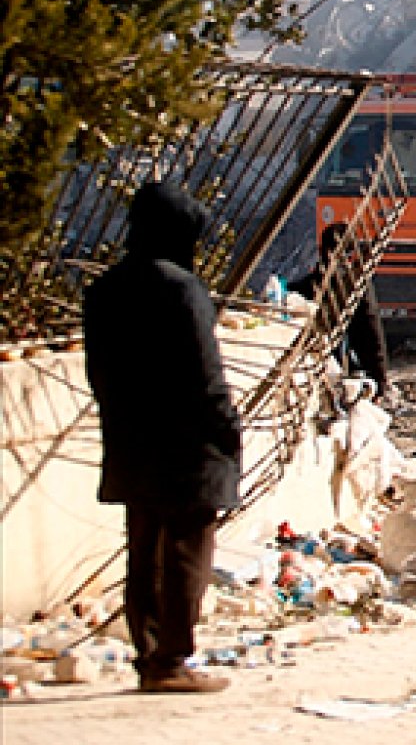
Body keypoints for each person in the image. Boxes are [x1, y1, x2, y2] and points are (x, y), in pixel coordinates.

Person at [84, 182, 242, 693]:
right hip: (188, 443)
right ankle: (173, 659)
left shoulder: (105, 289)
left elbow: (98, 372)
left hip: (132, 440)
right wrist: (227, 432)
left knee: (144, 552)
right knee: (186, 554)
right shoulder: (182, 289)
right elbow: (205, 374)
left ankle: (149, 655)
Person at [288, 225, 392, 401]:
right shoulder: (355, 286)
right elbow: (370, 334)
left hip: (306, 369)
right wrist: (379, 380)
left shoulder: (306, 287)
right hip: (337, 372)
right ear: (351, 254)